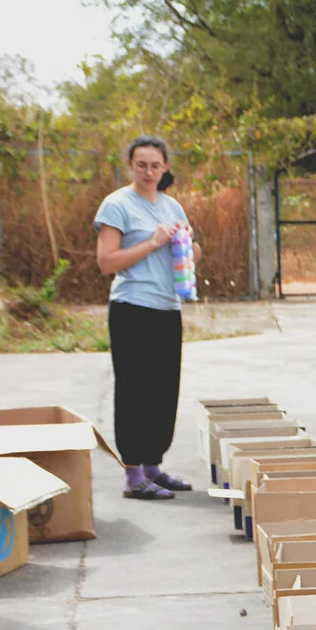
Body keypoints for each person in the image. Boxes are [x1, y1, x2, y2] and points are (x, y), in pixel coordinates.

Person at [93, 136, 196, 499]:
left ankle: (154, 466)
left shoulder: (172, 205)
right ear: (130, 166)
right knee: (134, 391)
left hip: (168, 308)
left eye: (155, 165)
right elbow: (106, 262)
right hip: (132, 309)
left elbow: (192, 252)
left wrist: (186, 241)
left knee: (163, 391)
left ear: (165, 166)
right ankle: (133, 475)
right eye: (142, 165)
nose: (149, 172)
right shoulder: (117, 205)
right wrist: (152, 242)